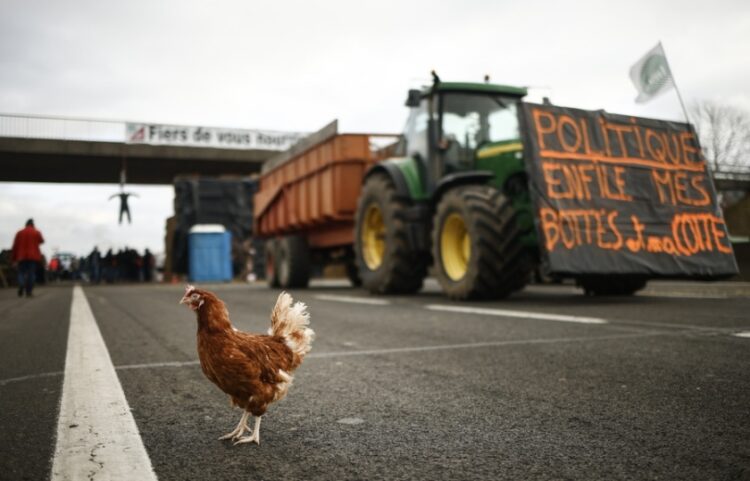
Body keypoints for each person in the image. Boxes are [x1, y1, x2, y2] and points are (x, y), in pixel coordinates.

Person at [11, 219, 45, 297]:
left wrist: (13, 259)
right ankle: (29, 291)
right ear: (33, 224)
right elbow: (41, 241)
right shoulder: (36, 232)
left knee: (21, 273)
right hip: (33, 257)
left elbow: (15, 246)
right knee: (31, 273)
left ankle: (21, 284)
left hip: (21, 256)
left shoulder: (19, 233)